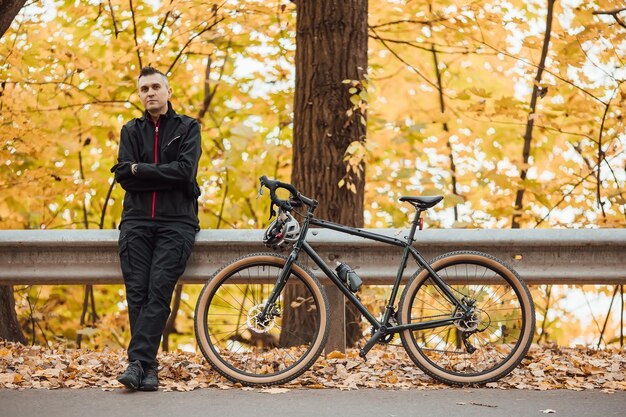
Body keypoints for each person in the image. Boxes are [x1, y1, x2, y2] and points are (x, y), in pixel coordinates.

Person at [111, 66, 201, 391]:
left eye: (155, 87)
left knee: (159, 290)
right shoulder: (130, 131)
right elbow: (123, 177)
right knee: (137, 294)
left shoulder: (189, 127)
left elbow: (185, 173)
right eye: (144, 89)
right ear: (140, 95)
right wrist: (147, 172)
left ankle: (135, 363)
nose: (150, 93)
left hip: (177, 222)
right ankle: (147, 370)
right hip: (135, 221)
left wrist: (140, 170)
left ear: (168, 91)